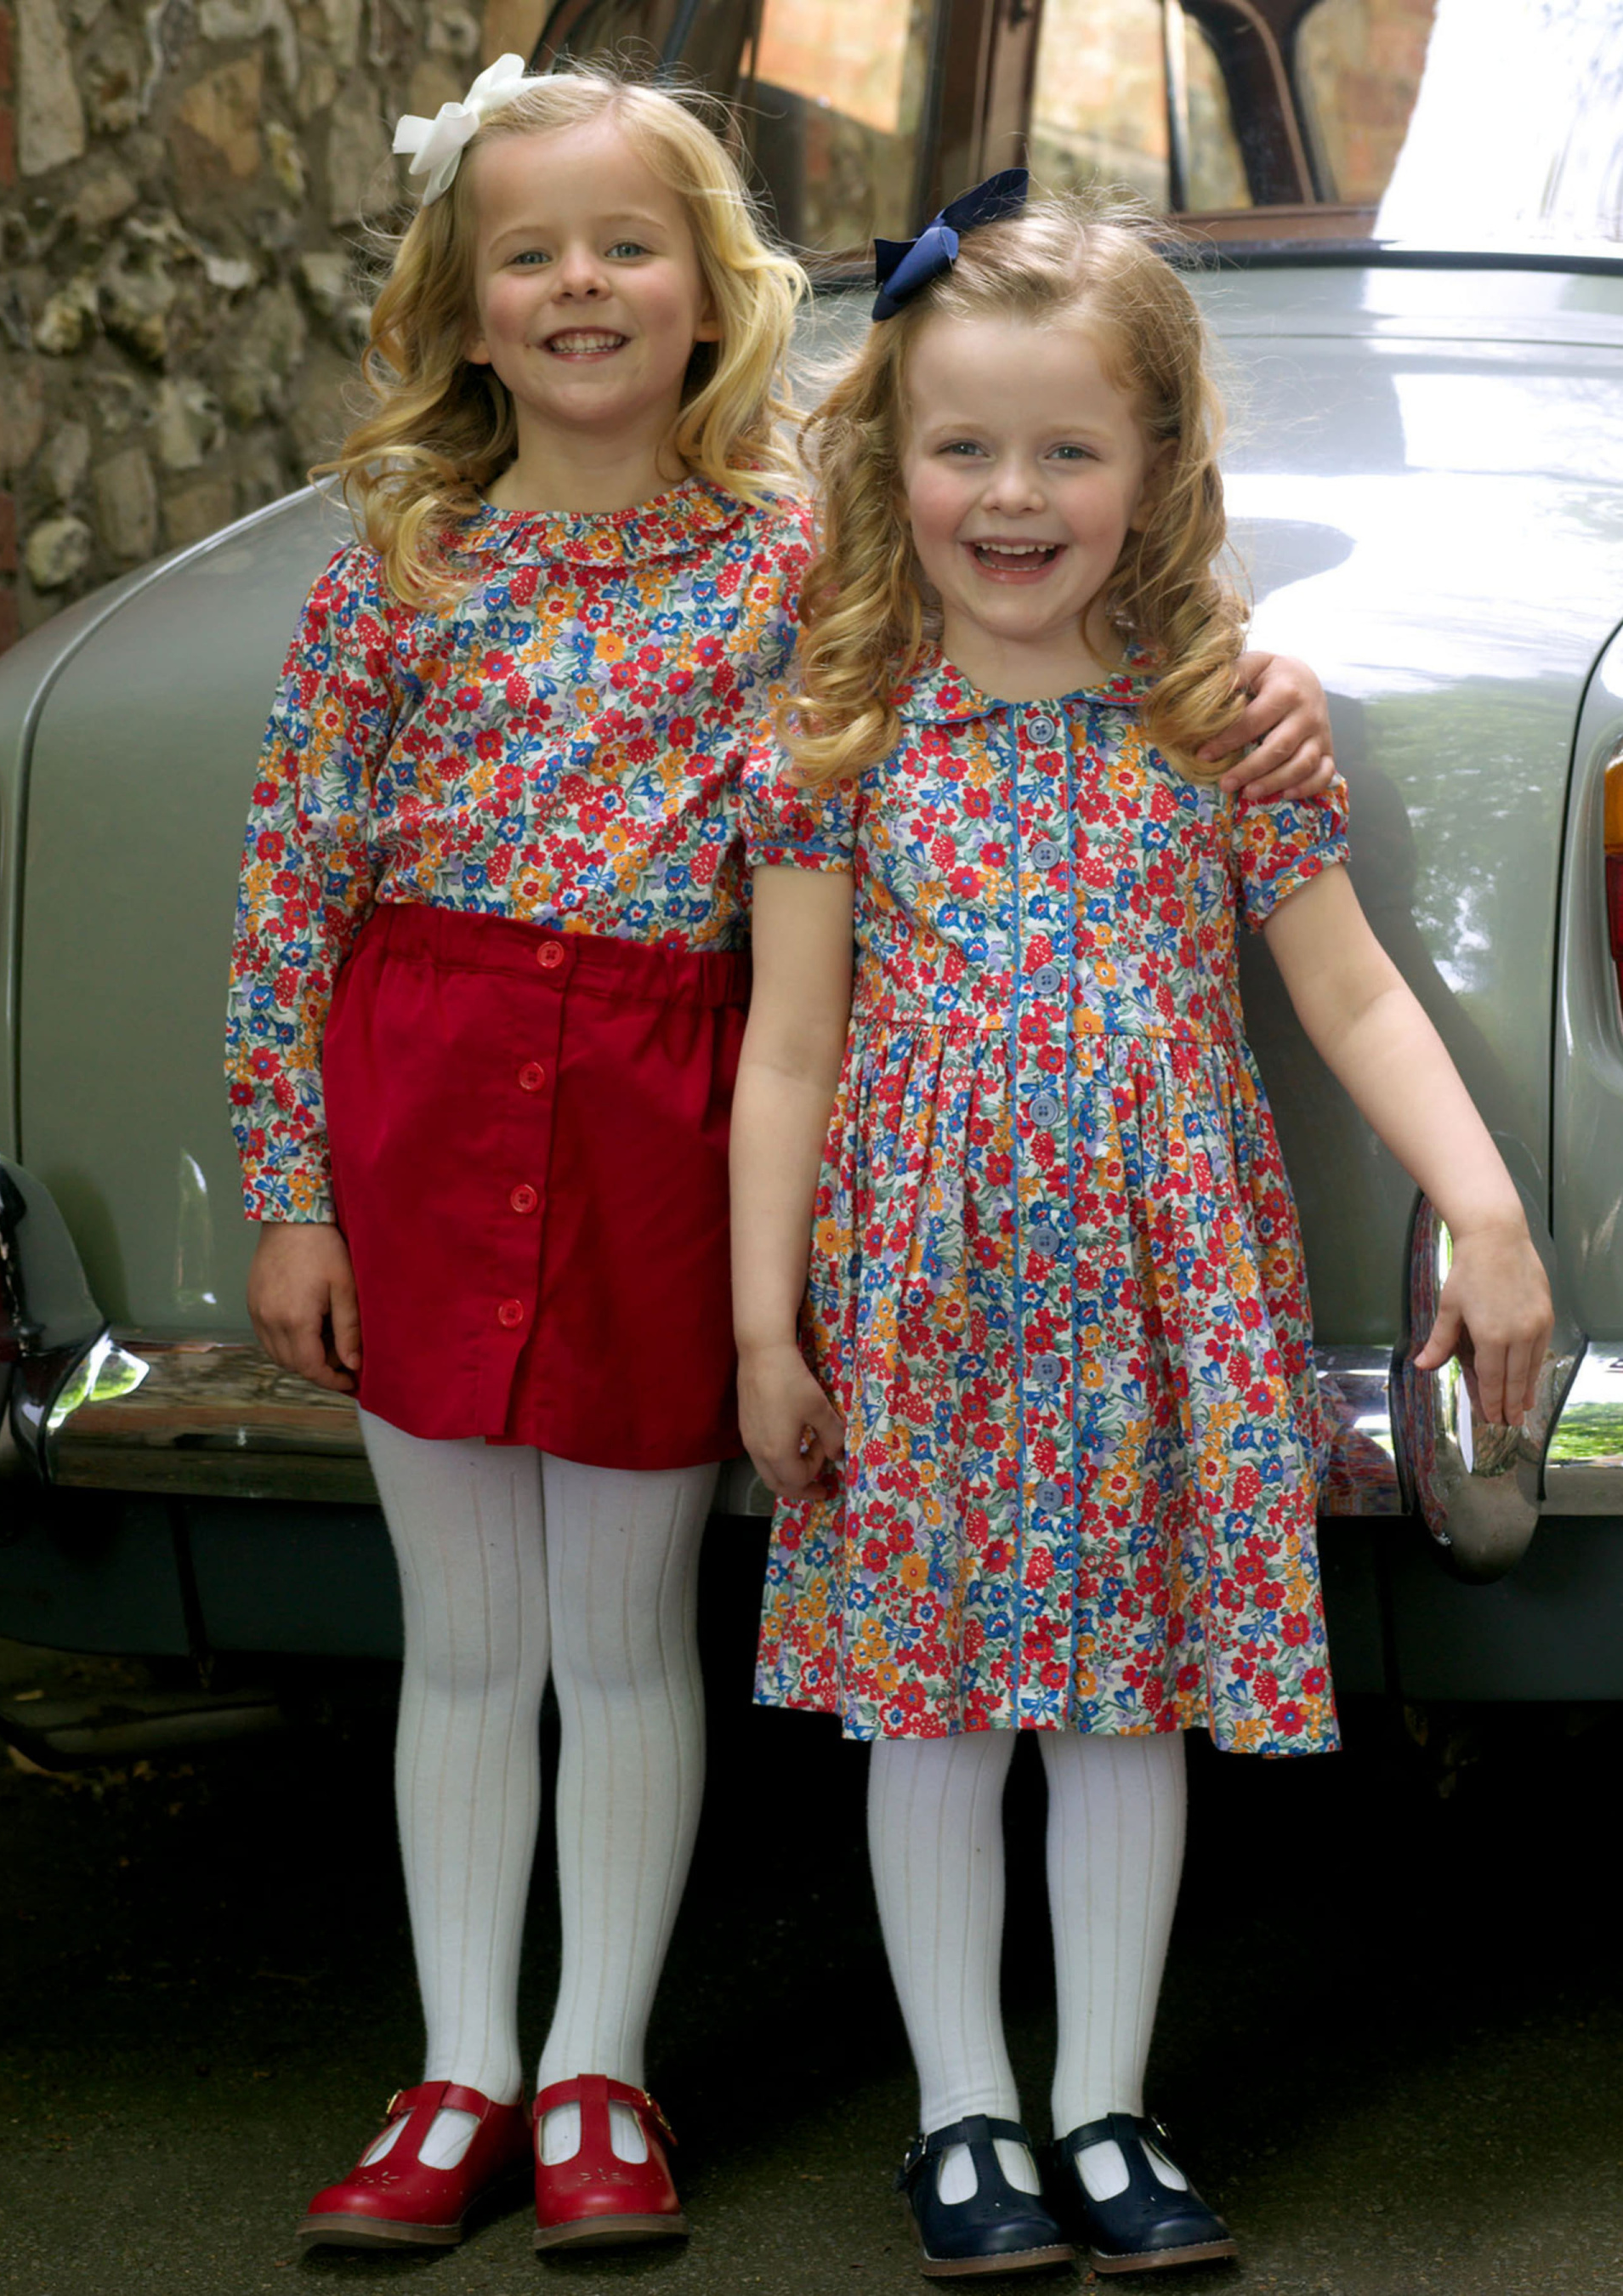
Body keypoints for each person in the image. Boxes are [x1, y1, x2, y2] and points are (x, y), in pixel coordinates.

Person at [225, 63, 1333, 2254]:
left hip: (661, 1107)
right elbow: (290, 888)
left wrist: (1254, 684)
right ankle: (458, 2070)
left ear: (712, 290)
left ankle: (596, 2073)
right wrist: (288, 1185)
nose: (579, 286)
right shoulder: (391, 580)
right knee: (465, 1636)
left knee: (626, 1626)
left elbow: (1033, 569)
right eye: (528, 253)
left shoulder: (798, 562)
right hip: (431, 1099)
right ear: (460, 304)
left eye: (626, 244)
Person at [730, 177, 1552, 2281]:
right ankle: (960, 2114)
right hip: (919, 1301)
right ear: (892, 457)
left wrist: (1482, 1211)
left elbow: (1348, 992)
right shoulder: (836, 729)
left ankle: (1101, 2103)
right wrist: (761, 1330)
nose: (1010, 496)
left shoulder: (1217, 717)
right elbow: (789, 1048)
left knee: (1121, 1703)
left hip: (1148, 1294)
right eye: (962, 446)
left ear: (1155, 464)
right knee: (928, 1711)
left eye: (1064, 450)